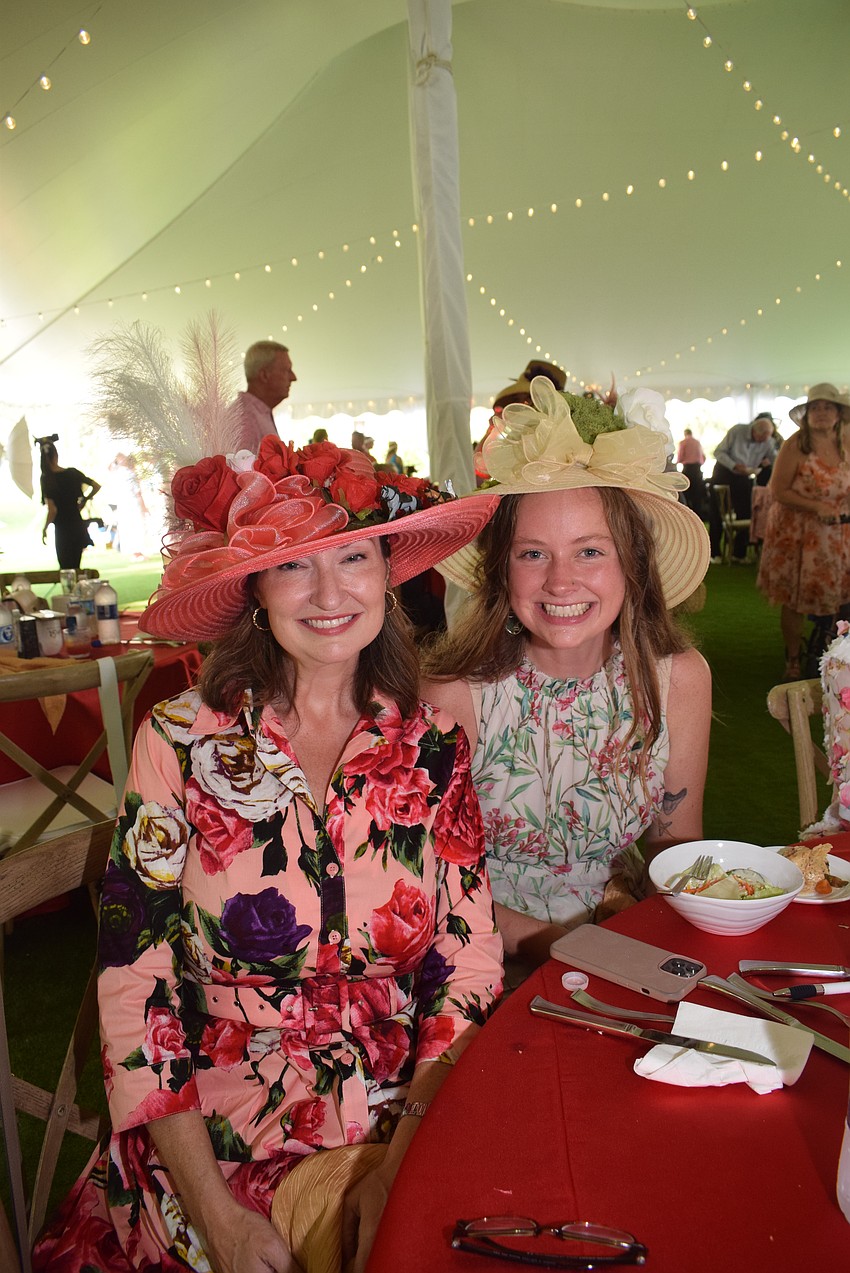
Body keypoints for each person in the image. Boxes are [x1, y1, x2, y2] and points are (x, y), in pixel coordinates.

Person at [33, 437, 502, 1273]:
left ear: (388, 571)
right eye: (293, 565)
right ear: (254, 588)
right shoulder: (175, 742)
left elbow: (466, 972)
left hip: (405, 1114)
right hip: (216, 1143)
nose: (329, 592)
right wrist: (218, 1214)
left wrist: (400, 1163)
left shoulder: (434, 750)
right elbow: (135, 983)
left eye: (353, 555)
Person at [423, 376, 711, 978]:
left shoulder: (678, 679)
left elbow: (674, 842)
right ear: (501, 571)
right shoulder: (454, 698)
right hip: (485, 967)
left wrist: (670, 927)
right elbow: (430, 885)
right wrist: (579, 950)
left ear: (633, 564)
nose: (559, 582)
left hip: (628, 943)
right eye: (533, 553)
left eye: (590, 551)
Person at [757, 384, 850, 680]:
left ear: (838, 414)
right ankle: (793, 659)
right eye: (816, 408)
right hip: (797, 535)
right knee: (795, 599)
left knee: (837, 596)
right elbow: (779, 491)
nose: (822, 413)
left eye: (828, 407)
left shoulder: (846, 442)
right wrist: (815, 505)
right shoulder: (796, 445)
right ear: (807, 414)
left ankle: (831, 654)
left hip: (837, 535)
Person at [707, 414, 775, 562]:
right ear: (755, 431)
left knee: (746, 512)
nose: (764, 442)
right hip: (724, 472)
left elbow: (775, 458)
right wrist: (734, 465)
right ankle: (714, 553)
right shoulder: (737, 431)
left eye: (767, 438)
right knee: (717, 513)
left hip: (744, 477)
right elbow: (718, 452)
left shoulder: (768, 441)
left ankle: (739, 553)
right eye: (762, 438)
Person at [39, 439, 101, 570]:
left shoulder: (47, 479)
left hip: (62, 529)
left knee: (66, 569)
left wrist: (45, 528)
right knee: (76, 566)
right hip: (77, 525)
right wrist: (84, 499)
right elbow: (96, 486)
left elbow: (52, 510)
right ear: (56, 455)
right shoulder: (72, 473)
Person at [231, 341, 297, 452]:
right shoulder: (244, 418)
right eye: (287, 370)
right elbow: (242, 469)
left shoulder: (256, 413)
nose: (293, 377)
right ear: (264, 375)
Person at [676, 428, 707, 515]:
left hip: (688, 469)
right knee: (697, 495)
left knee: (687, 494)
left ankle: (688, 515)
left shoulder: (683, 442)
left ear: (685, 434)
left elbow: (680, 457)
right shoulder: (697, 442)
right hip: (697, 469)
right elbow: (703, 458)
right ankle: (698, 516)